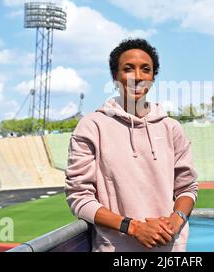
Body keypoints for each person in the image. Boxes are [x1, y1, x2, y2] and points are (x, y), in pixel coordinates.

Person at [65, 38, 198, 252]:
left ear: (153, 77)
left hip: (171, 249)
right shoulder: (91, 126)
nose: (137, 77)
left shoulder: (172, 128)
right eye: (128, 69)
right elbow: (79, 197)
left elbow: (187, 188)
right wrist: (133, 227)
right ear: (115, 76)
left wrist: (177, 218)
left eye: (145, 69)